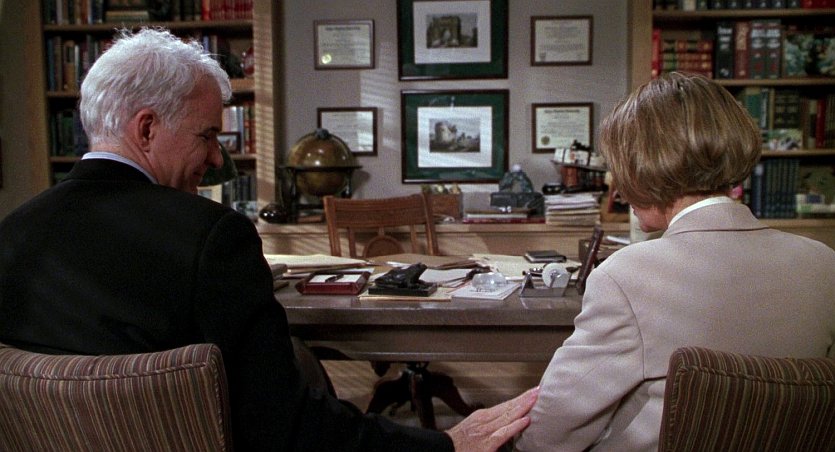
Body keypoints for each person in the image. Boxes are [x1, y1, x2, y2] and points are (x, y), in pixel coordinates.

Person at [0, 28, 537, 451]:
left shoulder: (12, 235)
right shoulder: (210, 236)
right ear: (146, 128)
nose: (216, 158)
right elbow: (289, 428)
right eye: (208, 135)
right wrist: (444, 444)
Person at [515, 72, 835, 451]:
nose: (617, 184)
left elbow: (552, 434)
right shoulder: (824, 263)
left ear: (643, 169)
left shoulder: (626, 276)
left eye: (620, 167)